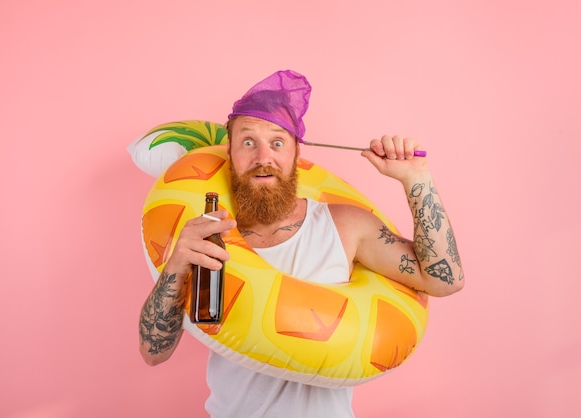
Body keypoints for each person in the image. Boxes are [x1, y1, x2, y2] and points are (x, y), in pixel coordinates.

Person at [138, 70, 464, 417]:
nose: (263, 156)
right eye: (248, 142)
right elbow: (153, 353)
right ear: (229, 153)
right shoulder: (207, 232)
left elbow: (446, 279)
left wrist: (417, 179)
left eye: (277, 143)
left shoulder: (345, 225)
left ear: (297, 156)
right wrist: (175, 265)